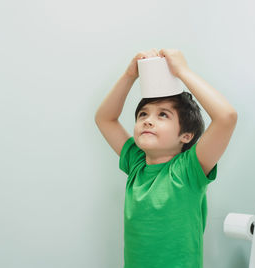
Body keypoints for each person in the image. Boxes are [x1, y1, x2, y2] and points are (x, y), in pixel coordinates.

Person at [95, 48, 237, 268]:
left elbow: (227, 117)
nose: (148, 121)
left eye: (163, 115)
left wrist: (183, 72)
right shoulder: (136, 164)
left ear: (186, 135)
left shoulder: (189, 170)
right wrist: (129, 76)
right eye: (143, 114)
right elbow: (105, 118)